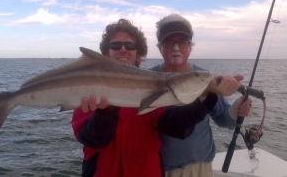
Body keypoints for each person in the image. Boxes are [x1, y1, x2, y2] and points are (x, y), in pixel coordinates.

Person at [71, 18, 248, 177]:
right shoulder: (89, 89)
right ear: (105, 53)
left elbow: (175, 125)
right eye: (116, 46)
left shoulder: (155, 85)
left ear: (138, 53)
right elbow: (89, 139)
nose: (123, 49)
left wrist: (209, 98)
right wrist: (105, 113)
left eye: (130, 46)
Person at [151, 13, 253, 177]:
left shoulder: (204, 78)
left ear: (190, 47)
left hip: (200, 167)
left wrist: (235, 109)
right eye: (169, 43)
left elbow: (223, 120)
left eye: (183, 42)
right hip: (158, 168)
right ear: (160, 48)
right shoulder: (148, 79)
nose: (176, 48)